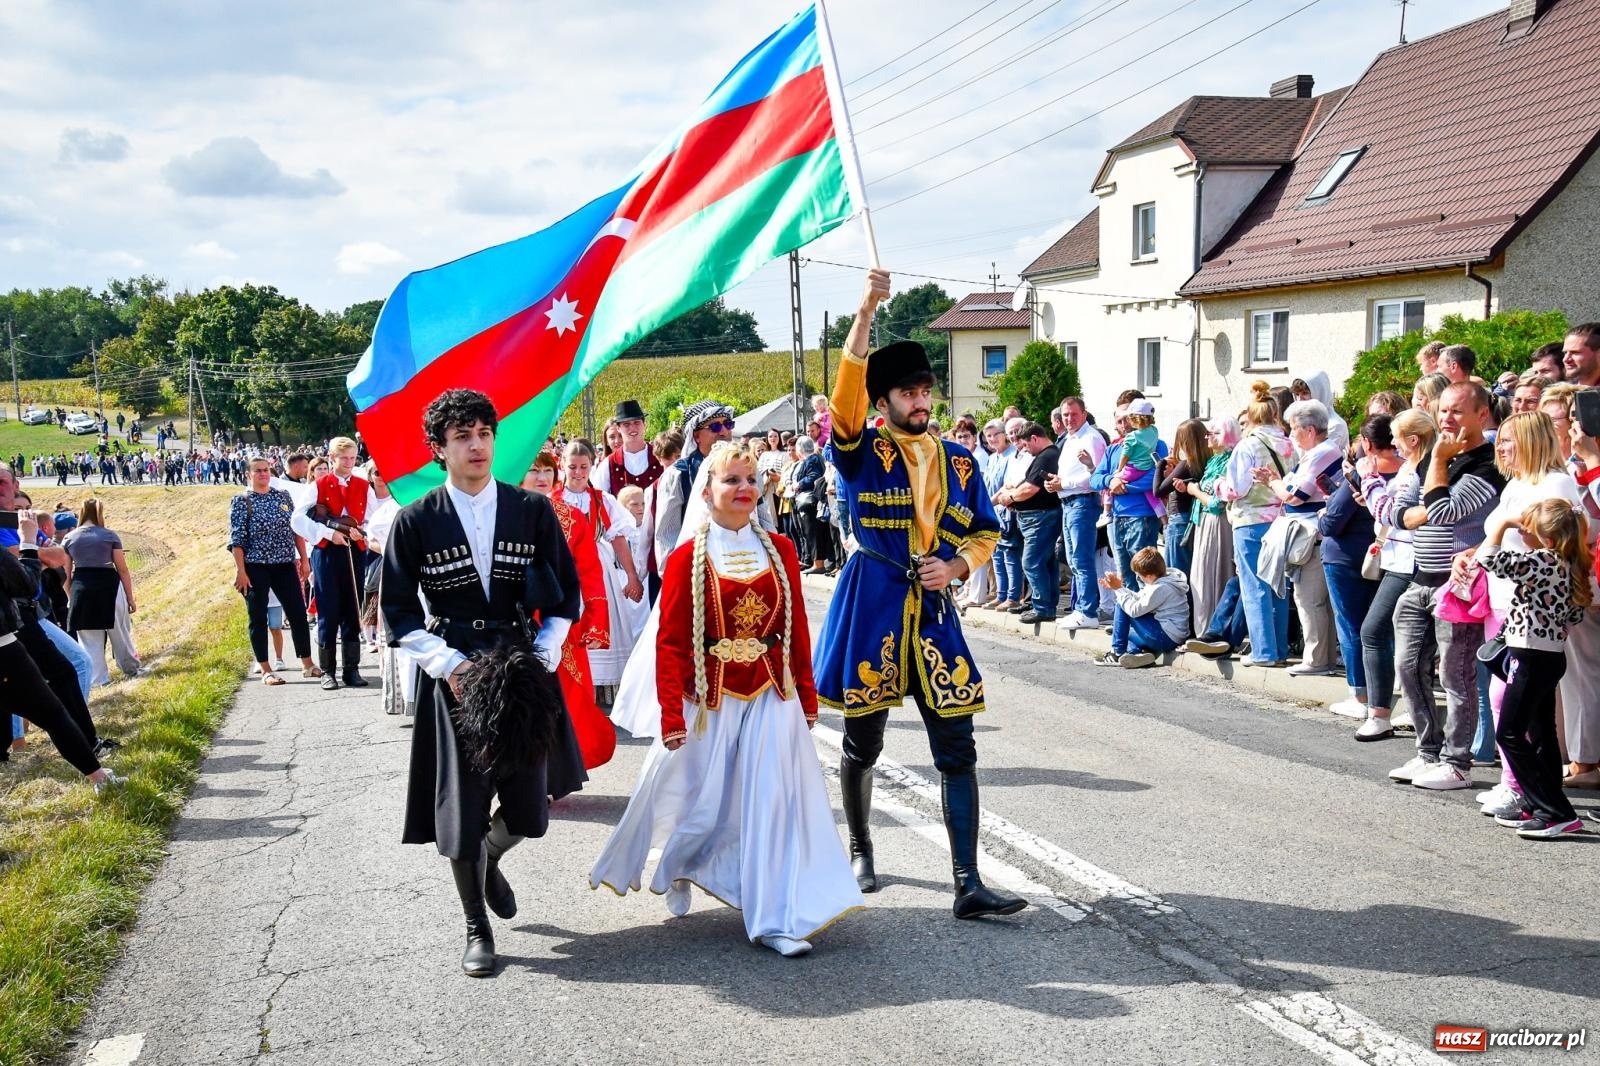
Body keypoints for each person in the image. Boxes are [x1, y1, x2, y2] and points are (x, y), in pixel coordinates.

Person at [590, 440, 861, 956]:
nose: (744, 490)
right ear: (707, 490)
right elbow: (670, 641)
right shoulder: (689, 556)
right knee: (701, 802)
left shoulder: (780, 550)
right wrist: (672, 713)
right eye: (731, 480)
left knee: (774, 802)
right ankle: (684, 864)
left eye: (751, 480)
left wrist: (806, 695)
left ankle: (774, 916)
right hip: (710, 702)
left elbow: (795, 630)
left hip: (770, 695)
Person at [814, 268, 1025, 921]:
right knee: (863, 741)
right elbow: (844, 399)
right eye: (909, 391)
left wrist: (958, 568)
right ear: (884, 402)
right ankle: (861, 846)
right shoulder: (860, 449)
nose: (921, 399)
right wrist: (865, 312)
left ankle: (968, 883)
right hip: (874, 600)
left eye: (927, 389)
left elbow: (987, 530)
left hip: (934, 613)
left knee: (957, 746)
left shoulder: (961, 462)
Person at [381, 388, 588, 977]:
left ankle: (491, 859)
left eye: (484, 434)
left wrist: (546, 651)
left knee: (529, 811)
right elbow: (397, 613)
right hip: (453, 671)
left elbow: (564, 596)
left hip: (520, 664)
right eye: (463, 437)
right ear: (438, 449)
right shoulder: (415, 520)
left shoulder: (532, 510)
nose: (477, 446)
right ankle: (476, 925)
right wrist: (449, 666)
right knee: (464, 811)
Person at [1451, 412, 1580, 815]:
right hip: (1504, 600)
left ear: (1533, 441)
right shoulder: (1518, 482)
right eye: (1501, 440)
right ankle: (1525, 789)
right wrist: (1472, 555)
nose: (1502, 447)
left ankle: (1522, 788)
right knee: (1509, 700)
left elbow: (1567, 542)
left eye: (1510, 440)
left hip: (1533, 611)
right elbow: (1502, 539)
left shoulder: (1556, 483)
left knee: (1511, 702)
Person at [1389, 382, 1505, 790]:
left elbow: (1446, 510)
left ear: (1481, 415)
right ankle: (1427, 752)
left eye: (1457, 412)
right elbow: (1398, 513)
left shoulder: (1488, 465)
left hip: (1458, 586)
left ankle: (1458, 762)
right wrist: (1433, 485)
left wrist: (1437, 460)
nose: (1448, 420)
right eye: (1443, 412)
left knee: (1455, 676)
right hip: (1418, 578)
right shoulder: (1432, 461)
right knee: (1406, 667)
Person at [1476, 500, 1591, 838]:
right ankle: (1541, 803)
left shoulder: (1542, 560)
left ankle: (1556, 811)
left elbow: (1489, 560)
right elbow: (1574, 616)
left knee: (1509, 733)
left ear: (1548, 539)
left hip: (1530, 656)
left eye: (1530, 529)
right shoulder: (1570, 564)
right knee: (1541, 735)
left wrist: (1501, 525)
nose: (1523, 532)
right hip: (1551, 656)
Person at [0, 544, 122, 792]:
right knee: (53, 715)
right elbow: (28, 587)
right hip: (4, 650)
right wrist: (29, 547)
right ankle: (100, 778)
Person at [522, 453, 617, 770]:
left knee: (567, 698)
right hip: (516, 620)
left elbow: (589, 574)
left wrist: (595, 623)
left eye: (547, 470)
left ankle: (556, 772)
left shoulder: (573, 518)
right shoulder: (504, 517)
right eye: (533, 470)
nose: (541, 477)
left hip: (563, 624)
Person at [1354, 409, 1432, 740]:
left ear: (1412, 440)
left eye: (1397, 437)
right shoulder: (1415, 468)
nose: (1394, 445)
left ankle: (1380, 714)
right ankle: (1407, 716)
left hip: (1411, 562)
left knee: (1375, 632)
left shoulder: (1415, 473)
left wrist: (1369, 480)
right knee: (1415, 649)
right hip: (1403, 559)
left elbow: (1393, 513)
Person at [1218, 381, 1295, 667]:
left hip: (1251, 518)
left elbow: (1236, 488)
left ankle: (1264, 650)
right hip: (1281, 519)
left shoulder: (1248, 445)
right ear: (1275, 414)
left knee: (1254, 584)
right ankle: (1280, 648)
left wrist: (1219, 487)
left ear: (1250, 417)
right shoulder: (1289, 444)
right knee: (1278, 585)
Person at [558, 439, 644, 696]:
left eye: (583, 467)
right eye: (572, 466)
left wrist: (631, 575)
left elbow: (618, 539)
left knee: (603, 619)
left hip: (598, 567)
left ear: (591, 466)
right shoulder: (554, 499)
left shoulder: (601, 499)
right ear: (563, 465)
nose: (578, 472)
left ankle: (604, 688)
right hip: (564, 565)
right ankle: (573, 684)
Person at [300, 437, 381, 690]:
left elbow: (372, 519)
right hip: (326, 553)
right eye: (343, 458)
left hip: (354, 552)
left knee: (352, 608)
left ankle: (351, 669)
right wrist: (328, 534)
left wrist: (362, 532)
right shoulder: (318, 485)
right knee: (328, 609)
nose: (348, 462)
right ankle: (328, 671)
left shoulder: (363, 485)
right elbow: (299, 519)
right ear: (332, 458)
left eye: (352, 458)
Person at [229, 458, 319, 685]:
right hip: (256, 565)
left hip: (284, 563)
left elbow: (295, 529)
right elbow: (237, 540)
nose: (263, 474)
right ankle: (265, 668)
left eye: (266, 470)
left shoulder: (282, 496)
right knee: (257, 617)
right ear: (249, 475)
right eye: (257, 471)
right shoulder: (242, 501)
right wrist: (241, 571)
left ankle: (307, 663)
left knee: (298, 613)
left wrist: (304, 559)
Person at [1317, 418, 1383, 718]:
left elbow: (1332, 522)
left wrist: (1323, 512)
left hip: (1345, 559)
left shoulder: (1361, 475)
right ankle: (1374, 693)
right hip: (1373, 555)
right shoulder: (1398, 472)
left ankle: (1359, 695)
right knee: (1374, 629)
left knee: (1352, 628)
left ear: (1366, 444)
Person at [59, 498, 141, 686]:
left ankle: (98, 679)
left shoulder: (69, 538)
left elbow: (65, 573)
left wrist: (70, 597)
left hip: (81, 586)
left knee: (88, 638)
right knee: (119, 632)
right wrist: (130, 598)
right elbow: (122, 569)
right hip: (109, 586)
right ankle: (131, 668)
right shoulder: (109, 536)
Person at [1174, 417, 1237, 640]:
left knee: (1215, 576)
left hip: (1217, 523)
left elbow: (1216, 502)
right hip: (1203, 522)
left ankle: (1214, 632)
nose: (1207, 437)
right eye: (1207, 433)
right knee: (1200, 578)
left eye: (1214, 433)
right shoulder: (1213, 461)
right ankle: (1204, 631)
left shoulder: (1231, 460)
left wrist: (1193, 491)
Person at [1047, 397, 1107, 630]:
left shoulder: (1091, 437)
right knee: (1073, 559)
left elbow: (1096, 475)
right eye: (1065, 415)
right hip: (1069, 503)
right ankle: (1081, 609)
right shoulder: (1071, 439)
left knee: (1081, 559)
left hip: (1083, 502)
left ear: (1084, 414)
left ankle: (1088, 611)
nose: (1069, 419)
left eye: (1073, 414)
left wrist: (1065, 483)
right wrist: (1055, 483)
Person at [653, 401, 735, 565]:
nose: (724, 431)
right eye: (715, 427)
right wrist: (673, 576)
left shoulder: (746, 468)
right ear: (695, 436)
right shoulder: (678, 474)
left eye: (728, 424)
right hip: (697, 569)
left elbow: (763, 518)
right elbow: (666, 535)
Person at [996, 422, 1060, 624]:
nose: (1024, 450)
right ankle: (1041, 602)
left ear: (1034, 438)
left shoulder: (1047, 456)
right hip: (1036, 516)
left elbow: (1030, 489)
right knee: (1044, 562)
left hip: (1040, 517)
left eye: (1025, 445)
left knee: (1031, 562)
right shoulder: (1044, 456)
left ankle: (1043, 607)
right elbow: (1028, 484)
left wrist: (1010, 497)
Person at [1095, 547, 1189, 668]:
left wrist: (1117, 589)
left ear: (1149, 576)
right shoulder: (1164, 580)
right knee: (1121, 633)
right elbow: (1139, 599)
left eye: (1139, 576)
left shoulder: (1161, 588)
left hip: (1166, 637)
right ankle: (1138, 654)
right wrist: (1119, 588)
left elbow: (1134, 610)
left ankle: (1117, 653)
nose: (1139, 578)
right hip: (1169, 635)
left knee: (1121, 606)